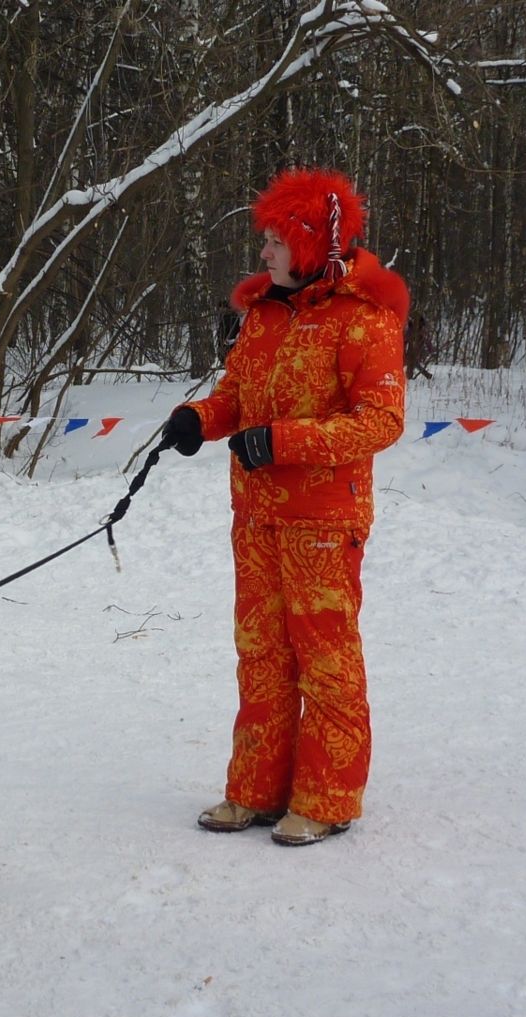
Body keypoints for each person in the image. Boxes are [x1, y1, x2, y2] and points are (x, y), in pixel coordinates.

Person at [161, 167, 409, 846]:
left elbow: (382, 421)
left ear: (303, 243)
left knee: (325, 658)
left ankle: (328, 797)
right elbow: (236, 395)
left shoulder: (365, 318)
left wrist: (285, 441)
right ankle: (257, 789)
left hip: (325, 520)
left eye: (272, 240)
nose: (262, 253)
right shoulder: (265, 314)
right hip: (257, 517)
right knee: (261, 653)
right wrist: (197, 417)